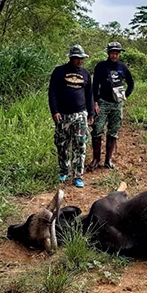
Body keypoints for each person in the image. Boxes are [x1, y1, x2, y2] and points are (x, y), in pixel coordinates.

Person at [48, 45, 94, 188]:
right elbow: (52, 93)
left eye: (82, 58)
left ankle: (78, 175)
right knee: (62, 144)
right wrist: (54, 111)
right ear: (71, 58)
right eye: (77, 58)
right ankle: (63, 170)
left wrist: (91, 113)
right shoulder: (59, 71)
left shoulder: (86, 74)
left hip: (80, 114)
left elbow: (89, 95)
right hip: (62, 115)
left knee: (80, 144)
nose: (80, 61)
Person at [88, 42, 135, 170]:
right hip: (103, 102)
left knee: (113, 131)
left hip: (117, 104)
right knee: (97, 129)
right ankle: (96, 159)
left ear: (119, 54)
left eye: (117, 53)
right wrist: (95, 101)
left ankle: (108, 160)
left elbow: (131, 83)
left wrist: (125, 95)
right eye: (112, 53)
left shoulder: (122, 67)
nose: (114, 55)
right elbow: (95, 85)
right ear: (108, 53)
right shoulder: (101, 66)